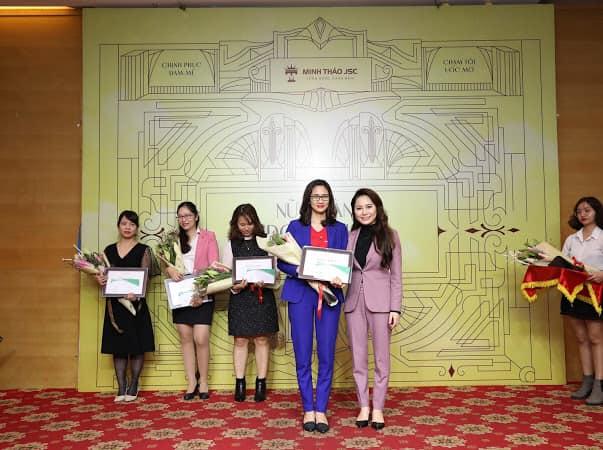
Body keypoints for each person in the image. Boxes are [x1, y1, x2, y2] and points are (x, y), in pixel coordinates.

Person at [277, 179, 348, 433]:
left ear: (330, 200)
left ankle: (321, 409)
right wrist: (303, 273)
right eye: (316, 196)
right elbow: (282, 262)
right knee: (303, 354)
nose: (320, 200)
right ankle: (308, 407)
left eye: (324, 196)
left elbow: (344, 262)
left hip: (329, 296)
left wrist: (340, 277)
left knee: (327, 354)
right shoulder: (295, 227)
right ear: (308, 199)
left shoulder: (340, 229)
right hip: (301, 295)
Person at [344, 188, 402, 429]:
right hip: (353, 301)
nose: (364, 212)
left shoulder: (391, 235)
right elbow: (343, 268)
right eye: (359, 208)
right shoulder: (350, 236)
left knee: (381, 358)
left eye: (368, 207)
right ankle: (363, 406)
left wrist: (395, 308)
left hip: (381, 303)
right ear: (354, 212)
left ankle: (377, 407)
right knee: (358, 358)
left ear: (377, 208)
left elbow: (396, 275)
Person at [95, 210, 155, 403]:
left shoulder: (144, 250)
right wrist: (100, 279)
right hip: (114, 307)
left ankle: (134, 384)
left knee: (137, 346)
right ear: (118, 226)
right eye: (124, 224)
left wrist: (136, 294)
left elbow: (145, 278)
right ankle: (121, 387)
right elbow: (104, 275)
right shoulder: (109, 250)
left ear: (137, 228)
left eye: (132, 224)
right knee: (118, 347)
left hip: (136, 306)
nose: (127, 227)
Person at [222, 204, 279, 402]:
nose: (246, 228)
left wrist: (268, 279)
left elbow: (275, 271)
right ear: (235, 225)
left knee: (262, 339)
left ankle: (261, 383)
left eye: (250, 224)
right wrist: (234, 286)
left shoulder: (266, 242)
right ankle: (240, 383)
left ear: (256, 223)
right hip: (240, 297)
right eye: (242, 224)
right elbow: (225, 275)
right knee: (240, 340)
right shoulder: (230, 245)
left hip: (262, 297)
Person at [165, 201, 219, 400]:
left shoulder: (208, 236)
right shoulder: (173, 240)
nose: (184, 219)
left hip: (202, 292)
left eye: (188, 215)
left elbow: (214, 266)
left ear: (196, 216)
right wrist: (169, 269)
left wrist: (201, 292)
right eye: (180, 216)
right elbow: (166, 263)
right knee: (185, 338)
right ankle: (191, 382)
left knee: (201, 338)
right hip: (180, 293)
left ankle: (203, 380)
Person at [560, 196, 603, 405]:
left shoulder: (602, 237)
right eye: (579, 211)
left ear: (597, 212)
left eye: (587, 210)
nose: (583, 214)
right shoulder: (571, 239)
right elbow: (563, 263)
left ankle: (599, 384)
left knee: (596, 338)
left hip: (595, 293)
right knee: (581, 338)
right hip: (573, 292)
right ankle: (586, 380)